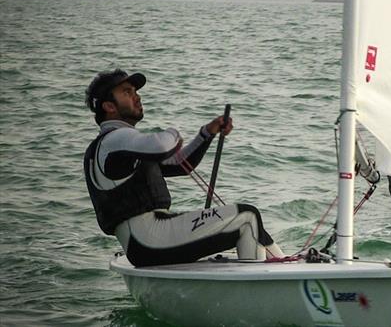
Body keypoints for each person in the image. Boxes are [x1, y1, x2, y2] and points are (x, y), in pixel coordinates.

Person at [83, 69, 284, 267]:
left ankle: (285, 265)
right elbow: (163, 146)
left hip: (146, 241)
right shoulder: (116, 138)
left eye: (136, 91)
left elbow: (179, 165)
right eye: (127, 92)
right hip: (150, 239)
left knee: (253, 223)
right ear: (109, 106)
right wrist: (174, 132)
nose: (137, 97)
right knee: (247, 217)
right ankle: (262, 285)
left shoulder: (114, 147)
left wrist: (207, 133)